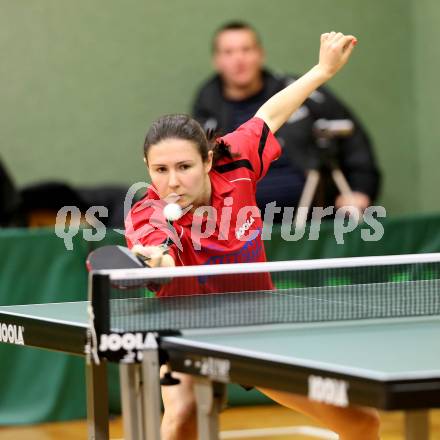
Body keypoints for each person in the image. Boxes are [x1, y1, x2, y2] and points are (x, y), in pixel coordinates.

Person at [125, 32, 380, 440]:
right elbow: (159, 252)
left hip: (254, 325)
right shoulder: (148, 211)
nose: (172, 182)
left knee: (362, 422)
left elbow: (272, 114)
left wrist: (322, 70)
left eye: (184, 167)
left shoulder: (237, 159)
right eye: (160, 170)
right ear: (147, 166)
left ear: (208, 159)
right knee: (183, 413)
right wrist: (155, 261)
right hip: (183, 331)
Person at [192, 21, 381, 222]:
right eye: (229, 52)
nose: (239, 59)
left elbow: (350, 135)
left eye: (246, 49)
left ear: (260, 54)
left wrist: (361, 188)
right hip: (242, 224)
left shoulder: (298, 92)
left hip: (314, 217)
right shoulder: (206, 110)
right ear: (217, 60)